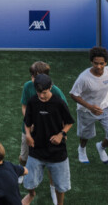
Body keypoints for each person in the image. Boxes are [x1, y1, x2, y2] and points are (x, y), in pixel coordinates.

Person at [22, 73, 74, 205]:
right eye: (39, 92)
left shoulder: (59, 103)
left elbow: (69, 122)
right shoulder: (32, 102)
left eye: (44, 92)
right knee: (28, 182)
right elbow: (27, 122)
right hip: (36, 149)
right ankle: (31, 194)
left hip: (57, 151)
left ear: (51, 87)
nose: (41, 96)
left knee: (61, 186)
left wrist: (61, 134)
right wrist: (28, 135)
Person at [69, 47, 108, 165]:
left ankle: (101, 147)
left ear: (106, 63)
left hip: (106, 107)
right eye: (96, 63)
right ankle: (81, 149)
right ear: (91, 62)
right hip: (86, 111)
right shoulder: (83, 78)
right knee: (85, 135)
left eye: (102, 63)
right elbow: (73, 94)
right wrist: (90, 107)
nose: (99, 66)